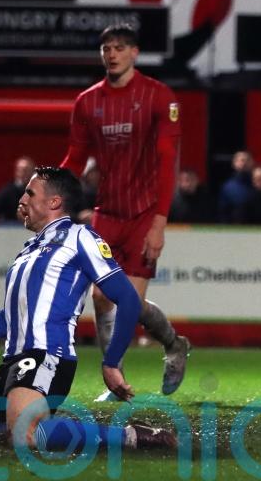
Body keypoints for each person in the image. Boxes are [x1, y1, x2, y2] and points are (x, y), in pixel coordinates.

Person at [0, 167, 177, 452]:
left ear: (54, 202)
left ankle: (132, 436)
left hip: (47, 358)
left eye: (29, 193)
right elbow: (11, 319)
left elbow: (129, 299)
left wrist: (111, 362)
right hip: (11, 367)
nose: (21, 199)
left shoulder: (80, 237)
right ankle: (18, 424)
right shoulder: (28, 250)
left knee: (25, 435)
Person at [60, 23, 190, 400]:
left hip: (144, 214)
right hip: (106, 213)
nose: (111, 54)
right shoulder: (87, 101)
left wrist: (159, 223)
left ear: (135, 53)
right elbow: (75, 158)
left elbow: (168, 163)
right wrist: (49, 188)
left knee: (126, 300)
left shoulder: (159, 96)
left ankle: (174, 344)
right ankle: (115, 381)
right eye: (106, 49)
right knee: (101, 298)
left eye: (119, 47)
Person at [0, 156, 35, 227]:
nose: (23, 173)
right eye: (20, 170)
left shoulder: (40, 191)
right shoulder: (8, 191)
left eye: (26, 170)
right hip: (12, 231)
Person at [218, 150, 255, 224]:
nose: (244, 163)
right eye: (241, 160)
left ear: (252, 163)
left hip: (259, 229)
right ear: (234, 163)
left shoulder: (258, 184)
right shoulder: (228, 187)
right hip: (236, 229)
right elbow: (222, 211)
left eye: (247, 160)